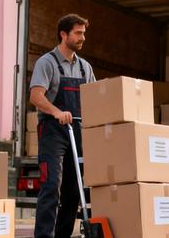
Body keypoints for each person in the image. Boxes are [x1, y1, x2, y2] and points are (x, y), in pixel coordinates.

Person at [29, 14, 96, 238]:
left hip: (77, 132)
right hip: (53, 132)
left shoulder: (85, 68)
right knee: (51, 187)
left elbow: (96, 99)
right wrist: (57, 112)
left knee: (73, 191)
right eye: (78, 33)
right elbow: (36, 96)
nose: (82, 38)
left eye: (84, 33)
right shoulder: (47, 63)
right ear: (64, 34)